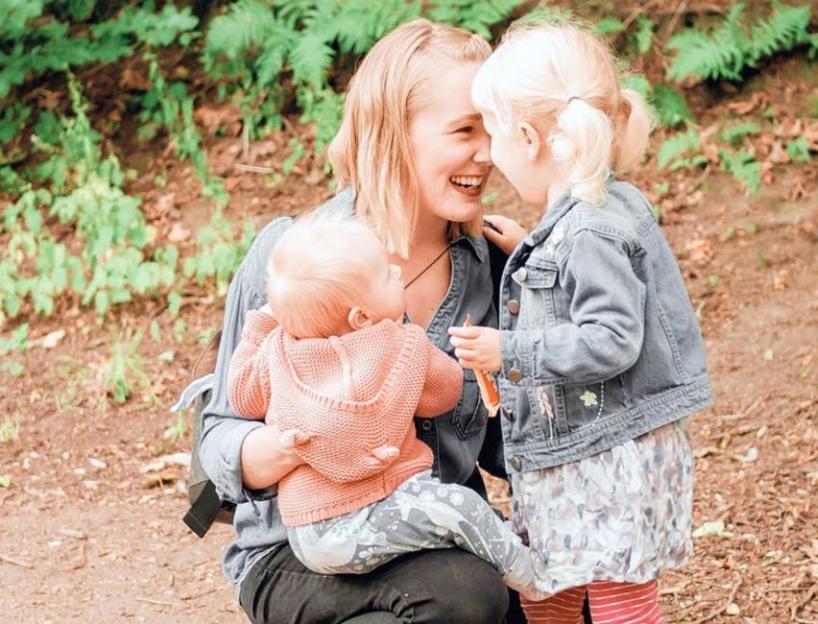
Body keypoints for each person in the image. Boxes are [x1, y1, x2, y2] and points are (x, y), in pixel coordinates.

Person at [198, 19, 515, 623]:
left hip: (431, 526)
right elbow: (218, 437)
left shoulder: (491, 267)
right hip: (300, 545)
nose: (488, 153)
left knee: (543, 600)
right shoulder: (294, 255)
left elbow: (508, 448)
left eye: (493, 130)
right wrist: (271, 451)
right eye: (464, 130)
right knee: (462, 601)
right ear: (396, 135)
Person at [448, 20, 714, 623]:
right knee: (549, 589)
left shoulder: (588, 230)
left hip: (606, 458)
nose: (488, 155)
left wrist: (508, 351)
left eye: (491, 135)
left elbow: (613, 338)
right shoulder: (594, 208)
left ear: (527, 137)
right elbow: (581, 282)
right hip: (581, 451)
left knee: (615, 599)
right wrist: (534, 246)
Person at [226, 213, 544, 598]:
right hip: (371, 510)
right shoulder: (400, 345)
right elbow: (444, 394)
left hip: (309, 533)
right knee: (461, 508)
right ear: (361, 317)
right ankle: (536, 578)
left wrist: (261, 325)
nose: (397, 271)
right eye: (385, 274)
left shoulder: (278, 351)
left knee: (443, 525)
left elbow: (241, 394)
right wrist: (422, 343)